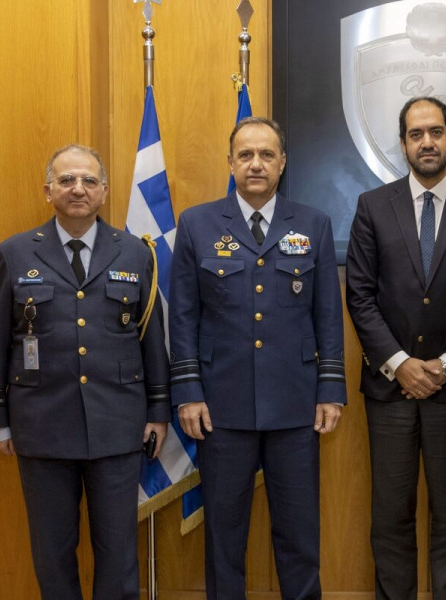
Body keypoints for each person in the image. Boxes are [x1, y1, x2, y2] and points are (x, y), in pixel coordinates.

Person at [0, 144, 171, 600]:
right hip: (42, 425)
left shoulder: (135, 253)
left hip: (117, 425)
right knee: (52, 554)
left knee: (119, 554)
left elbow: (151, 340)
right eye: (66, 180)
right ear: (48, 191)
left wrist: (158, 411)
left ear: (104, 191)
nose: (78, 189)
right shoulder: (13, 252)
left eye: (88, 180)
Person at [169, 116, 346, 600]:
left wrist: (330, 390)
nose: (256, 164)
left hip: (295, 404)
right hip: (220, 407)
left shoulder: (312, 224)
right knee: (224, 535)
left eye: (267, 154)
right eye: (245, 154)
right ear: (230, 163)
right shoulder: (197, 224)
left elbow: (327, 315)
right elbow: (182, 316)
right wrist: (188, 392)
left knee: (299, 533)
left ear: (282, 163)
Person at [346, 96, 446, 599]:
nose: (427, 142)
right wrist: (400, 364)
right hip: (389, 391)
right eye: (416, 134)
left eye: (436, 132)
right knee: (390, 516)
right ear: (403, 144)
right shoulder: (373, 206)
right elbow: (359, 294)